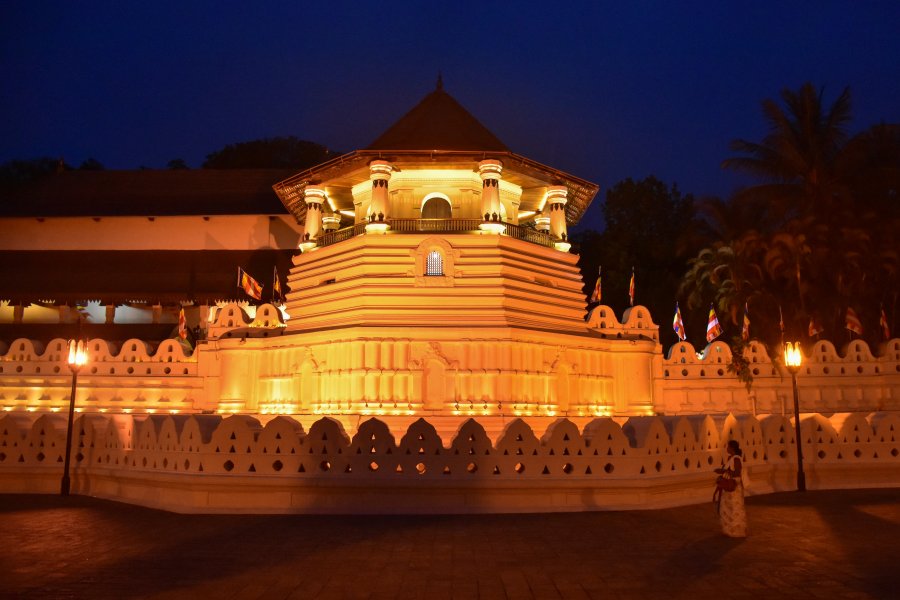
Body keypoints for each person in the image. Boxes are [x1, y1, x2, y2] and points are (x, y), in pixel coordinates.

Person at [714, 439, 747, 537]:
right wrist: (722, 471)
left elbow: (737, 473)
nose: (727, 448)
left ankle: (736, 531)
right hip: (729, 486)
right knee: (727, 507)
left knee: (734, 508)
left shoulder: (736, 459)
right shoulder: (731, 458)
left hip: (733, 486)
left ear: (732, 448)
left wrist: (724, 472)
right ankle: (729, 530)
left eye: (728, 447)